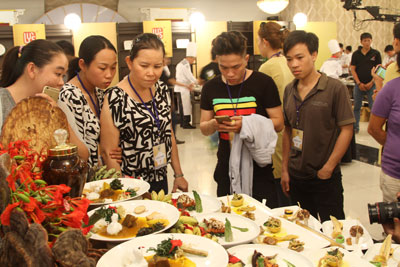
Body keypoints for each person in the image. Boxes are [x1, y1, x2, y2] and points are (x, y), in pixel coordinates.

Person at [200, 31, 284, 206]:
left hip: (258, 165)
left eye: (236, 67)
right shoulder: (211, 88)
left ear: (246, 59)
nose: (230, 73)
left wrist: (246, 125)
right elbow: (203, 127)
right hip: (226, 164)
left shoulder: (263, 83)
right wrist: (214, 124)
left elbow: (279, 123)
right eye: (223, 67)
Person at [100, 33, 188, 193]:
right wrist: (123, 194)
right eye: (144, 65)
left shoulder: (161, 89)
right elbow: (108, 153)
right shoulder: (115, 97)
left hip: (160, 176)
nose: (151, 73)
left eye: (157, 66)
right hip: (131, 183)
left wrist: (178, 174)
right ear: (129, 62)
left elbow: (169, 134)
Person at [281, 30, 354, 222]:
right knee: (304, 228)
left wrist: (329, 167)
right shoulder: (289, 90)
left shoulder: (334, 88)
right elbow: (287, 131)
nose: (294, 64)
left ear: (314, 55)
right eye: (289, 59)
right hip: (297, 175)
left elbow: (347, 129)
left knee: (333, 230)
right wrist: (285, 169)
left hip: (325, 177)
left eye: (299, 57)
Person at [0, 39, 88, 160]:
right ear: (32, 69)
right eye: (58, 73)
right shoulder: (2, 102)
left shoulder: (57, 105)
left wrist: (60, 119)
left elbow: (83, 155)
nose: (62, 82)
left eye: (64, 75)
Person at [58, 35, 121, 167]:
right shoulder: (70, 95)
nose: (109, 74)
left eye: (113, 67)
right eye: (102, 68)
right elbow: (74, 147)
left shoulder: (99, 92)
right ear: (82, 65)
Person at [257, 21, 293, 207]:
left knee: (278, 185)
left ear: (264, 41)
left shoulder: (268, 67)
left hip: (276, 130)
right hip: (293, 127)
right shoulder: (289, 62)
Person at [368, 52, 400, 203]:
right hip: (395, 173)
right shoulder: (392, 89)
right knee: (393, 220)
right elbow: (374, 129)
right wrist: (394, 145)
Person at [350, 32, 381, 133]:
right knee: (357, 107)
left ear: (371, 41)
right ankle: (355, 127)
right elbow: (352, 69)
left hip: (372, 85)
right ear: (361, 42)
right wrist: (359, 83)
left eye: (369, 40)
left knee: (374, 107)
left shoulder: (376, 54)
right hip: (359, 85)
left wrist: (372, 82)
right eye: (365, 41)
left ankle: (373, 128)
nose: (367, 43)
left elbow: (379, 70)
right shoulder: (356, 54)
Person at [160, 57, 185, 144]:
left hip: (166, 97)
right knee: (172, 119)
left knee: (172, 119)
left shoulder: (164, 70)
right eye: (166, 59)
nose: (168, 61)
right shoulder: (161, 71)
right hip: (163, 99)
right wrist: (185, 85)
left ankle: (172, 138)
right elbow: (171, 81)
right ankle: (171, 139)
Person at [174, 42, 198, 129]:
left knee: (183, 106)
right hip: (182, 89)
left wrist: (192, 82)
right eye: (193, 59)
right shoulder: (185, 64)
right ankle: (185, 124)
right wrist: (197, 82)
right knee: (184, 106)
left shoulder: (183, 63)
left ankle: (183, 123)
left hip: (182, 88)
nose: (193, 61)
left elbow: (187, 77)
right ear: (190, 57)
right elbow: (189, 76)